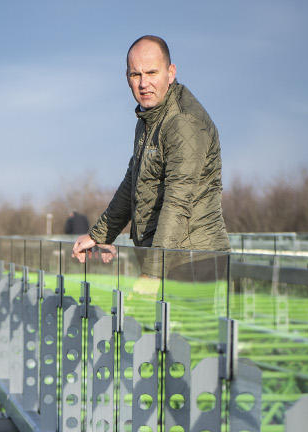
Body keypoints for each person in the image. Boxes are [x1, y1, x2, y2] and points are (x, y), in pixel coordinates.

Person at [72, 35, 230, 280]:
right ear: (127, 78)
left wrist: (152, 273)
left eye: (152, 72)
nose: (144, 83)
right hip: (165, 259)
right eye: (136, 75)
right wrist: (99, 235)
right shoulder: (150, 117)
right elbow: (132, 183)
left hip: (194, 263)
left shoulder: (183, 122)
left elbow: (178, 202)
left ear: (171, 72)